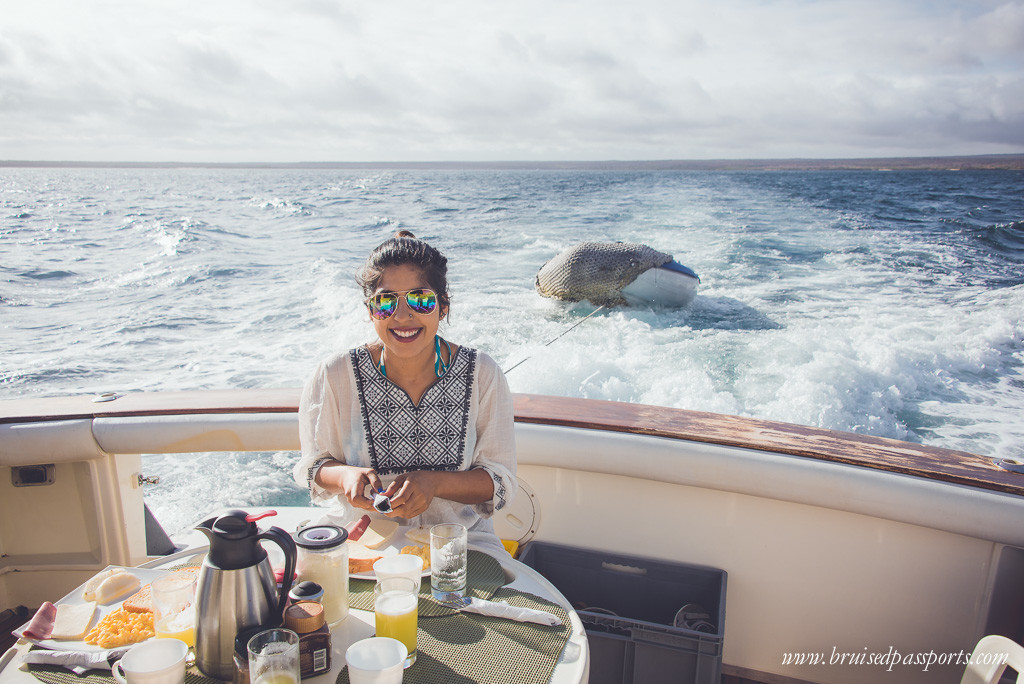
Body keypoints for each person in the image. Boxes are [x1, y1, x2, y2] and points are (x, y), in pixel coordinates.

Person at [293, 230, 516, 553]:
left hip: (462, 544)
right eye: (385, 302)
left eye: (420, 299)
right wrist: (345, 477)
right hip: (361, 543)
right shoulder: (334, 375)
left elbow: (499, 480)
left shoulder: (483, 372)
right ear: (370, 311)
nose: (402, 316)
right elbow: (313, 467)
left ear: (443, 308)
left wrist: (434, 482)